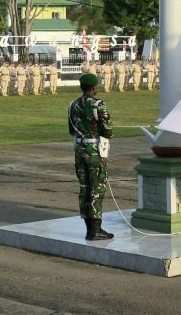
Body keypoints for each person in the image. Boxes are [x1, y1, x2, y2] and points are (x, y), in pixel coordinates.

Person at [68, 73, 115, 241]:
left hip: (79, 149)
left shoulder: (73, 105)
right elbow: (108, 131)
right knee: (97, 187)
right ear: (94, 87)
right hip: (94, 150)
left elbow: (71, 130)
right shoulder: (98, 104)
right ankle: (96, 230)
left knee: (84, 187)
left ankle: (89, 228)